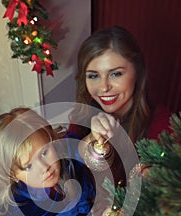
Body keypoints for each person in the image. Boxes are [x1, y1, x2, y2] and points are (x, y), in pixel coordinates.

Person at [68, 25, 171, 185]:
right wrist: (91, 141)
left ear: (137, 71)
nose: (103, 87)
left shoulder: (164, 125)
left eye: (115, 74)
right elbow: (68, 167)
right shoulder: (82, 113)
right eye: (93, 75)